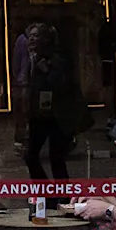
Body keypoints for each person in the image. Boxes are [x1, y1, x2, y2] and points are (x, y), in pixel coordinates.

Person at [22, 22, 79, 180]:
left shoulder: (57, 58)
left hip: (56, 116)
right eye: (30, 36)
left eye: (36, 36)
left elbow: (61, 85)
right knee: (31, 155)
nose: (31, 39)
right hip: (40, 115)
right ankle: (47, 193)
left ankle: (60, 195)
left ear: (46, 39)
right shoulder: (34, 57)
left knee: (56, 158)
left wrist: (45, 69)